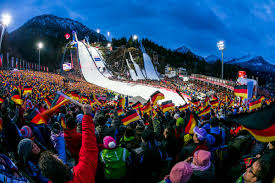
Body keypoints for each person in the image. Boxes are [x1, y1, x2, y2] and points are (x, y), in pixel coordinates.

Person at [38, 104, 98, 183]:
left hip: (74, 154)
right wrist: (87, 116)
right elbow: (89, 147)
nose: (57, 156)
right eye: (57, 158)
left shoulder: (65, 135)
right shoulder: (81, 173)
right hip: (79, 155)